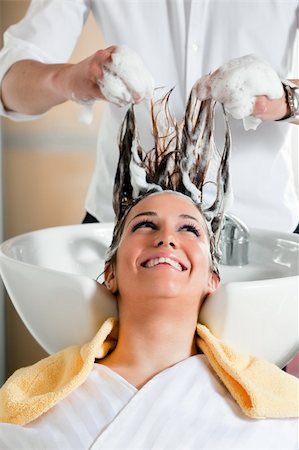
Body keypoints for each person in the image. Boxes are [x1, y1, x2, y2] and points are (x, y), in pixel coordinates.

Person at [0, 88, 298, 450]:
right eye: (144, 225)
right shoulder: (33, 413)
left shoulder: (271, 422)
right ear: (109, 272)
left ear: (212, 279)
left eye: (189, 229)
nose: (166, 238)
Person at [0, 0, 298, 233]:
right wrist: (69, 79)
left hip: (258, 234)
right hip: (120, 230)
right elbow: (10, 86)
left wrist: (283, 100)